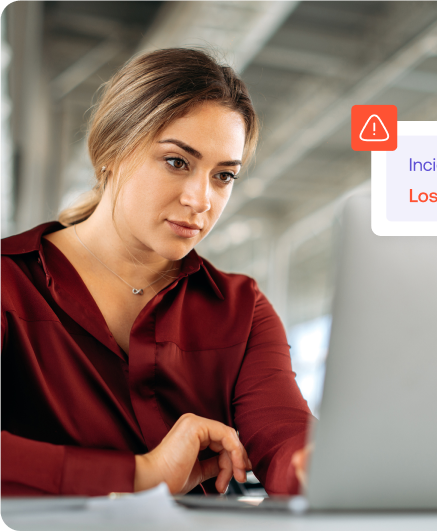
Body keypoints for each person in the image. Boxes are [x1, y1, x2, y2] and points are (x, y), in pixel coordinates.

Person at [0, 48, 314, 496]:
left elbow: (283, 431)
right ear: (111, 151)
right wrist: (142, 476)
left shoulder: (242, 309)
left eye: (223, 176)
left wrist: (317, 462)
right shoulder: (9, 283)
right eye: (176, 162)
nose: (200, 199)